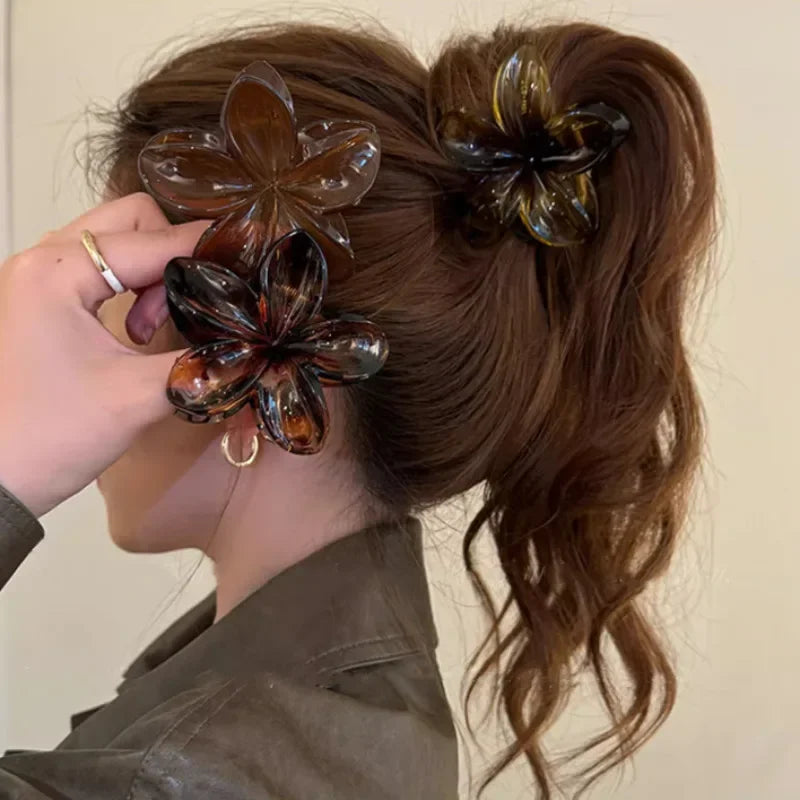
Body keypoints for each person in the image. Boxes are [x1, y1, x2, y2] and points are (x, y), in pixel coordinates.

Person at [0, 18, 716, 800]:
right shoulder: (322, 717)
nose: (55, 359)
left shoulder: (195, 780)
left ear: (244, 374)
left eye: (106, 303)